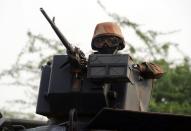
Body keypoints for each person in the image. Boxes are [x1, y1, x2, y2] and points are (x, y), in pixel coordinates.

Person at [91, 22, 164, 79]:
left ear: (119, 44)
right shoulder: (88, 65)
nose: (105, 45)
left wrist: (139, 67)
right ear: (94, 45)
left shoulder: (129, 66)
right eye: (99, 41)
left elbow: (158, 71)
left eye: (112, 41)